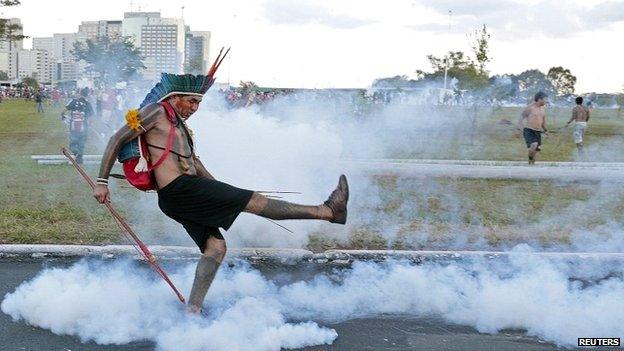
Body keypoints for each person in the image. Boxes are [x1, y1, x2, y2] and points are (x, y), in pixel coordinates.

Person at [92, 68, 349, 314]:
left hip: (181, 195)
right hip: (180, 190)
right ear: (175, 97)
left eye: (198, 104)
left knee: (215, 248)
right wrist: (101, 181)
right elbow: (117, 139)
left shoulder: (179, 125)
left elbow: (194, 164)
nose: (194, 108)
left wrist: (218, 188)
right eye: (191, 102)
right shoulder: (156, 112)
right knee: (256, 201)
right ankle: (328, 211)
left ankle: (192, 311)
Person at [63, 88, 94, 164]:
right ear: (87, 95)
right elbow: (91, 117)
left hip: (74, 126)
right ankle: (79, 158)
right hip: (83, 127)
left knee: (73, 142)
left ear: (80, 93)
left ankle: (76, 153)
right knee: (81, 143)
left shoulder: (73, 101)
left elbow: (65, 109)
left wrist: (63, 115)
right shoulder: (88, 104)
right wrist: (90, 124)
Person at [518, 91, 548, 165]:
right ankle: (530, 159)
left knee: (535, 151)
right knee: (533, 145)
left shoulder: (543, 109)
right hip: (529, 130)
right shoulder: (530, 108)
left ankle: (531, 165)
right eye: (545, 99)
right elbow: (521, 118)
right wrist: (521, 128)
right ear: (539, 99)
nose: (546, 101)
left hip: (538, 131)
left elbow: (543, 121)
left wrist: (545, 130)